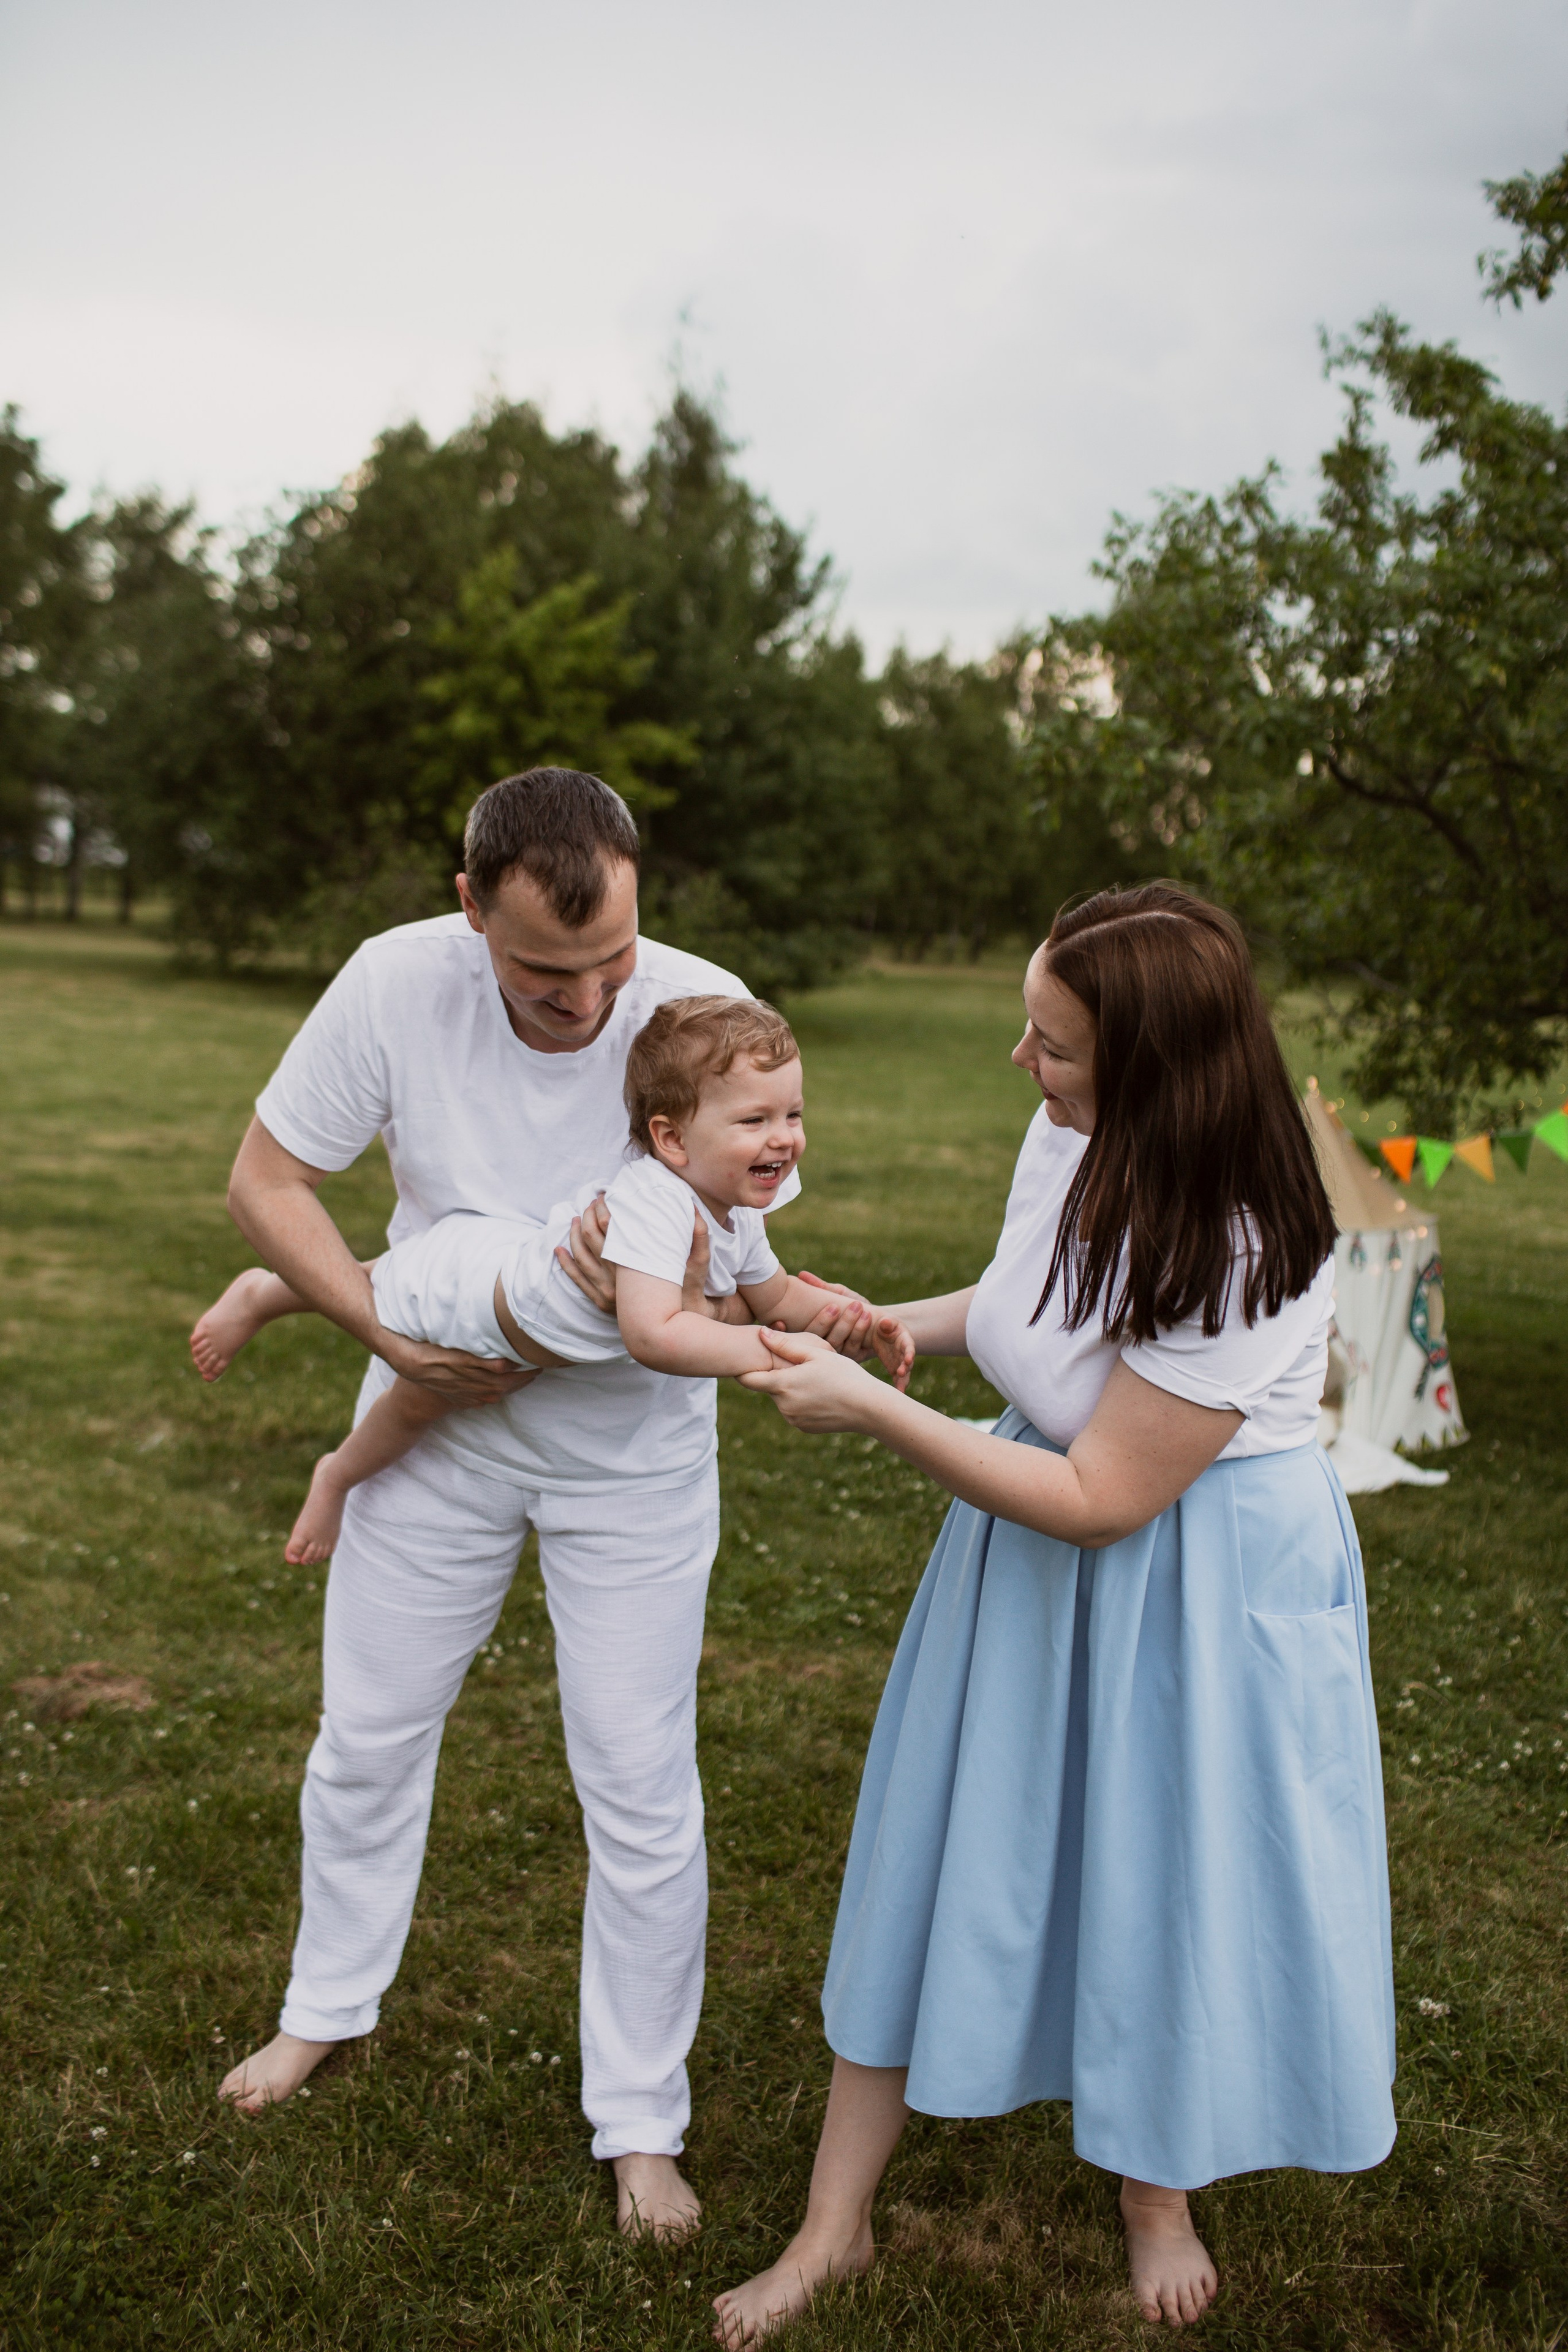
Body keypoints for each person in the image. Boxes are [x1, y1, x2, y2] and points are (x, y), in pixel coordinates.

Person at [195, 767, 887, 2241]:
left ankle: (640, 2119)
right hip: (439, 1421)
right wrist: (384, 1340)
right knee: (366, 1735)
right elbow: (266, 1182)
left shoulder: (702, 1010)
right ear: (470, 908)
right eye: (542, 969)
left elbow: (743, 1255)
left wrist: (796, 1313)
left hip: (630, 1461)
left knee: (639, 1790)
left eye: (609, 962)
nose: (585, 1002)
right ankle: (325, 2003)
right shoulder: (395, 982)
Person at [711, 883, 1395, 2340]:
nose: (1022, 1066)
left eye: (1055, 1046)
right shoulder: (1068, 1129)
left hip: (1195, 1577)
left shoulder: (1249, 1241)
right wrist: (884, 1321)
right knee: (930, 1839)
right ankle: (835, 2222)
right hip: (1035, 1527)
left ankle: (1158, 2190)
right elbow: (1039, 1299)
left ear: (1152, 1072)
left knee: (1163, 1873)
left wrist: (872, 1414)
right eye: (1029, 1030)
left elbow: (1104, 1493)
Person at [197, 996, 913, 1564]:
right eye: (755, 1119)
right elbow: (655, 1334)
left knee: (382, 1293)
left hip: (508, 1270)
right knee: (407, 1382)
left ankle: (273, 1311)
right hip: (476, 1298)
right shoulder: (658, 1201)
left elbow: (778, 1297)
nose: (785, 1137)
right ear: (670, 1139)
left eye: (793, 1114)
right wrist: (774, 1349)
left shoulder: (734, 1207)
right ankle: (329, 1456)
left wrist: (858, 1316)